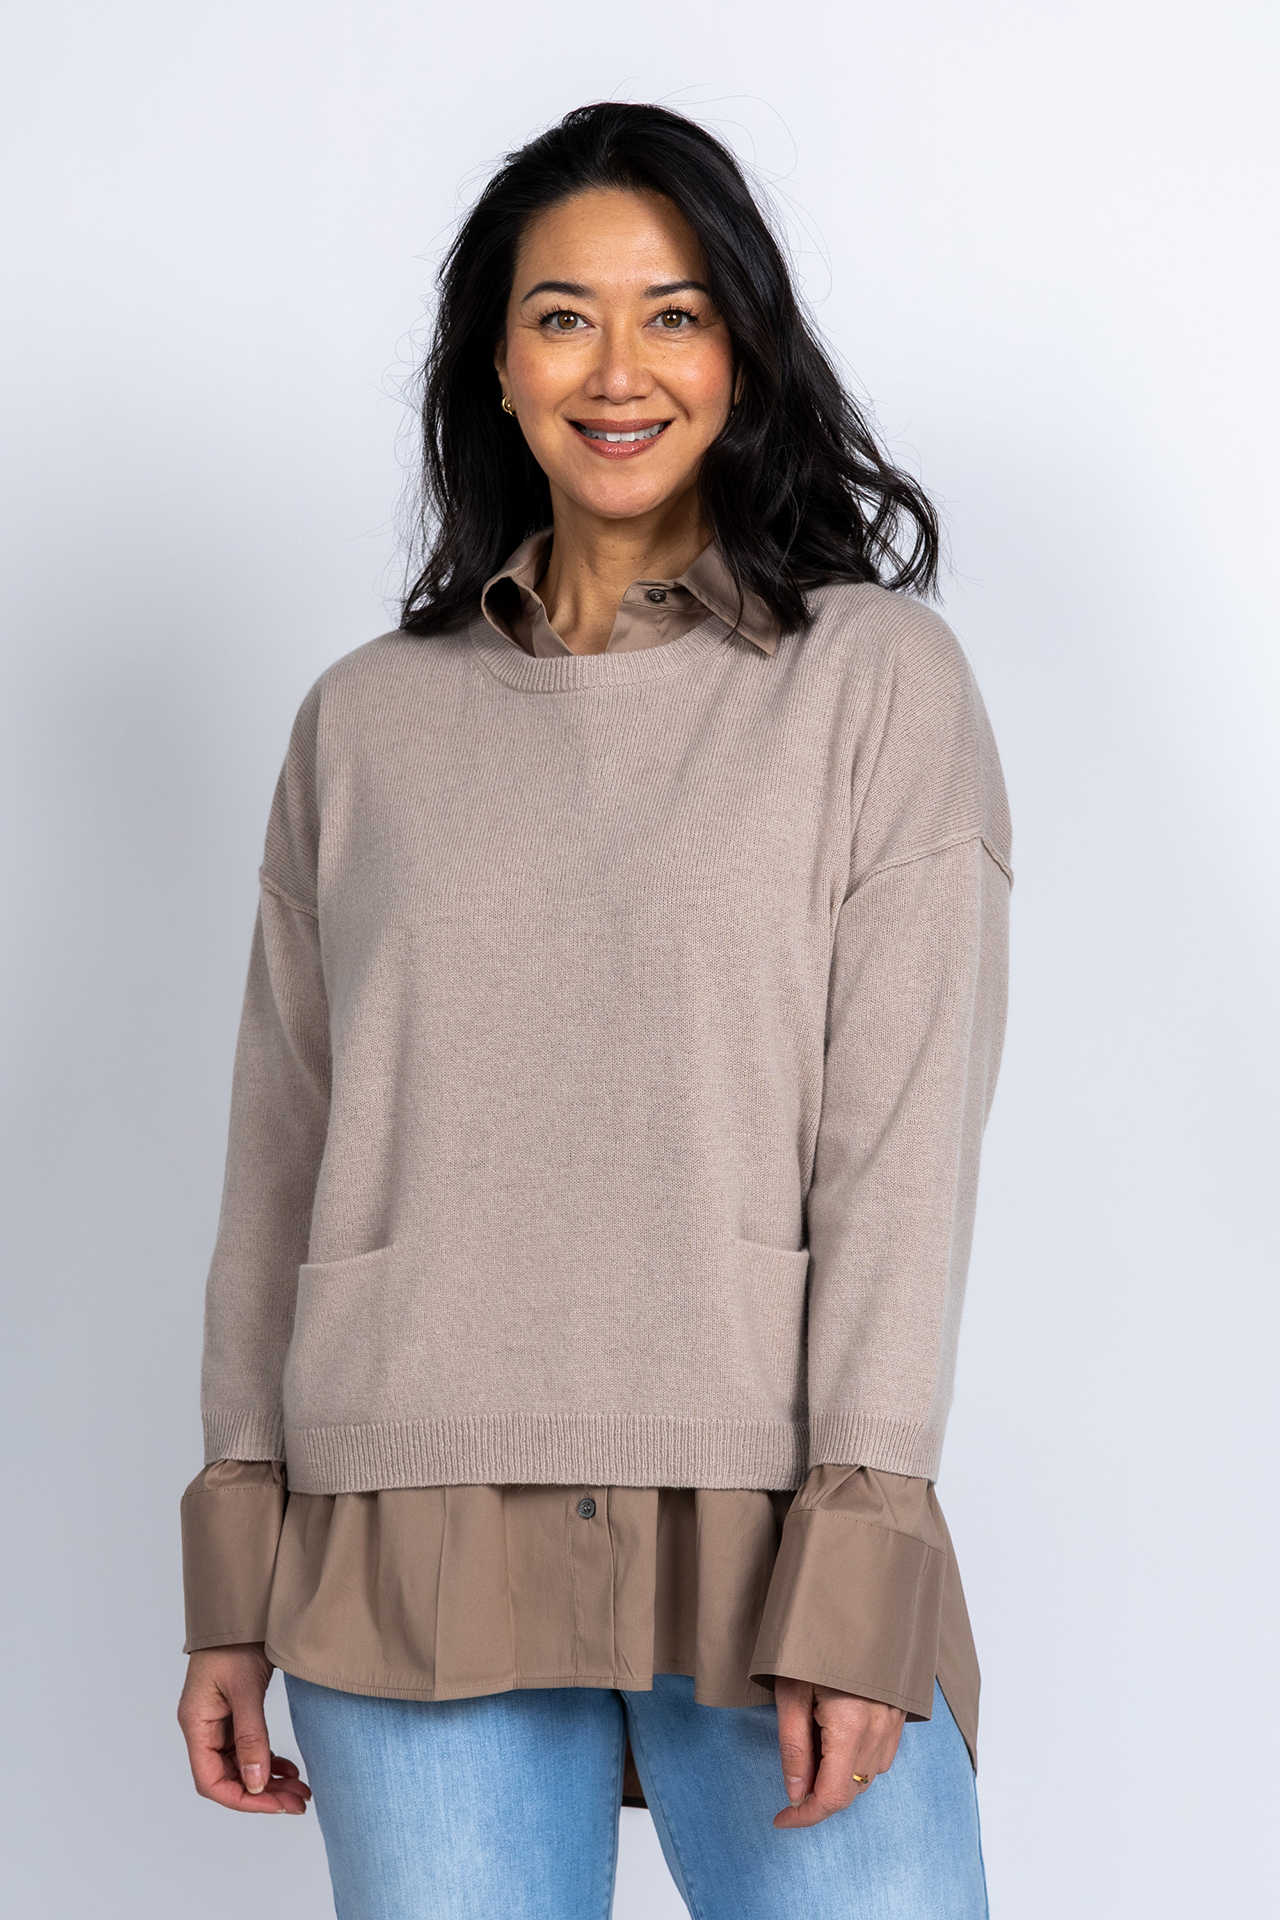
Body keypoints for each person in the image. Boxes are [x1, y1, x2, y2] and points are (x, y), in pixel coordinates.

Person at [177, 101, 1011, 1920]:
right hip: (398, 1534)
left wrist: (866, 1540)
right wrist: (233, 1563)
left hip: (766, 1529)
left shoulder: (877, 685)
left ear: (743, 352)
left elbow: (900, 1153)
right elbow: (281, 1151)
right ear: (495, 365)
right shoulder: (364, 724)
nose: (618, 370)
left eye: (675, 314)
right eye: (563, 316)